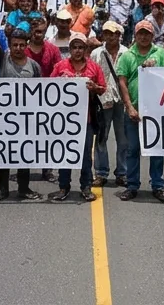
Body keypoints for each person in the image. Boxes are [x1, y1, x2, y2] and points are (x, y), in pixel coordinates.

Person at [116, 20, 164, 202]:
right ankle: (132, 185)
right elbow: (122, 82)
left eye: (147, 33)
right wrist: (129, 107)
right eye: (140, 33)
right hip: (134, 111)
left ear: (152, 36)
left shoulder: (161, 53)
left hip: (156, 111)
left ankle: (158, 185)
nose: (143, 36)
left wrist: (154, 69)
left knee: (156, 149)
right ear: (135, 35)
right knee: (133, 150)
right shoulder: (127, 56)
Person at [50, 33, 104, 202]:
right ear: (70, 49)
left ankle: (86, 186)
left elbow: (103, 88)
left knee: (86, 154)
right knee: (65, 153)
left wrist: (94, 86)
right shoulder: (60, 66)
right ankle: (63, 186)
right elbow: (48, 87)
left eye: (81, 47)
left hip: (86, 119)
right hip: (64, 120)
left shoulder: (94, 67)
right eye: (74, 47)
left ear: (85, 49)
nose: (78, 51)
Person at [0, 30, 43, 203]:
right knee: (3, 153)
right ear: (10, 45)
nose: (18, 48)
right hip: (4, 117)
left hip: (26, 118)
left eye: (22, 45)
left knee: (25, 153)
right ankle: (3, 189)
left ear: (27, 45)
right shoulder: (2, 60)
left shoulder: (34, 66)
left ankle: (23, 188)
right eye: (15, 45)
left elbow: (41, 92)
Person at [91, 22, 126, 188]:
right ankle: (101, 172)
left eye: (113, 33)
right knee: (101, 139)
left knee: (123, 138)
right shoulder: (96, 53)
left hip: (122, 100)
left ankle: (123, 173)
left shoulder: (127, 53)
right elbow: (92, 74)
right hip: (102, 99)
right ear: (103, 35)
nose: (110, 37)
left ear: (119, 35)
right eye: (107, 33)